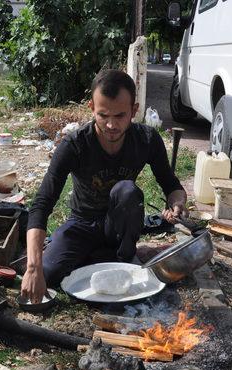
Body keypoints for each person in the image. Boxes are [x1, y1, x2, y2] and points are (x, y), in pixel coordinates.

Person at [21, 69, 188, 303]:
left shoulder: (147, 140)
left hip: (119, 224)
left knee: (127, 190)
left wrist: (177, 203)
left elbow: (172, 185)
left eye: (120, 116)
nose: (111, 125)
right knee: (48, 273)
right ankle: (99, 255)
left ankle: (123, 256)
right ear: (91, 108)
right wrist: (32, 267)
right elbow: (42, 203)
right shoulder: (74, 145)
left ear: (134, 110)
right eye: (103, 115)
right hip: (82, 223)